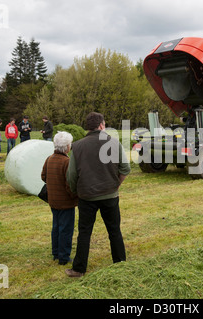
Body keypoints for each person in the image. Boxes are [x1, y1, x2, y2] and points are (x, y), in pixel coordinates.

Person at [65, 112, 131, 278]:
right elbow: (125, 168)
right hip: (110, 195)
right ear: (102, 125)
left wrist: (75, 191)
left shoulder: (78, 146)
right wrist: (116, 184)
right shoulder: (114, 142)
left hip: (87, 196)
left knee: (85, 233)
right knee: (114, 230)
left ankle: (79, 269)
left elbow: (71, 175)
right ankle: (120, 262)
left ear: (88, 126)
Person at [41, 131, 78, 265]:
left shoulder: (49, 159)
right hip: (66, 202)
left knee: (56, 227)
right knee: (66, 229)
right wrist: (75, 196)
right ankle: (64, 257)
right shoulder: (67, 162)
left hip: (53, 200)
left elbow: (43, 176)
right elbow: (70, 184)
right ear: (67, 146)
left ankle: (56, 252)